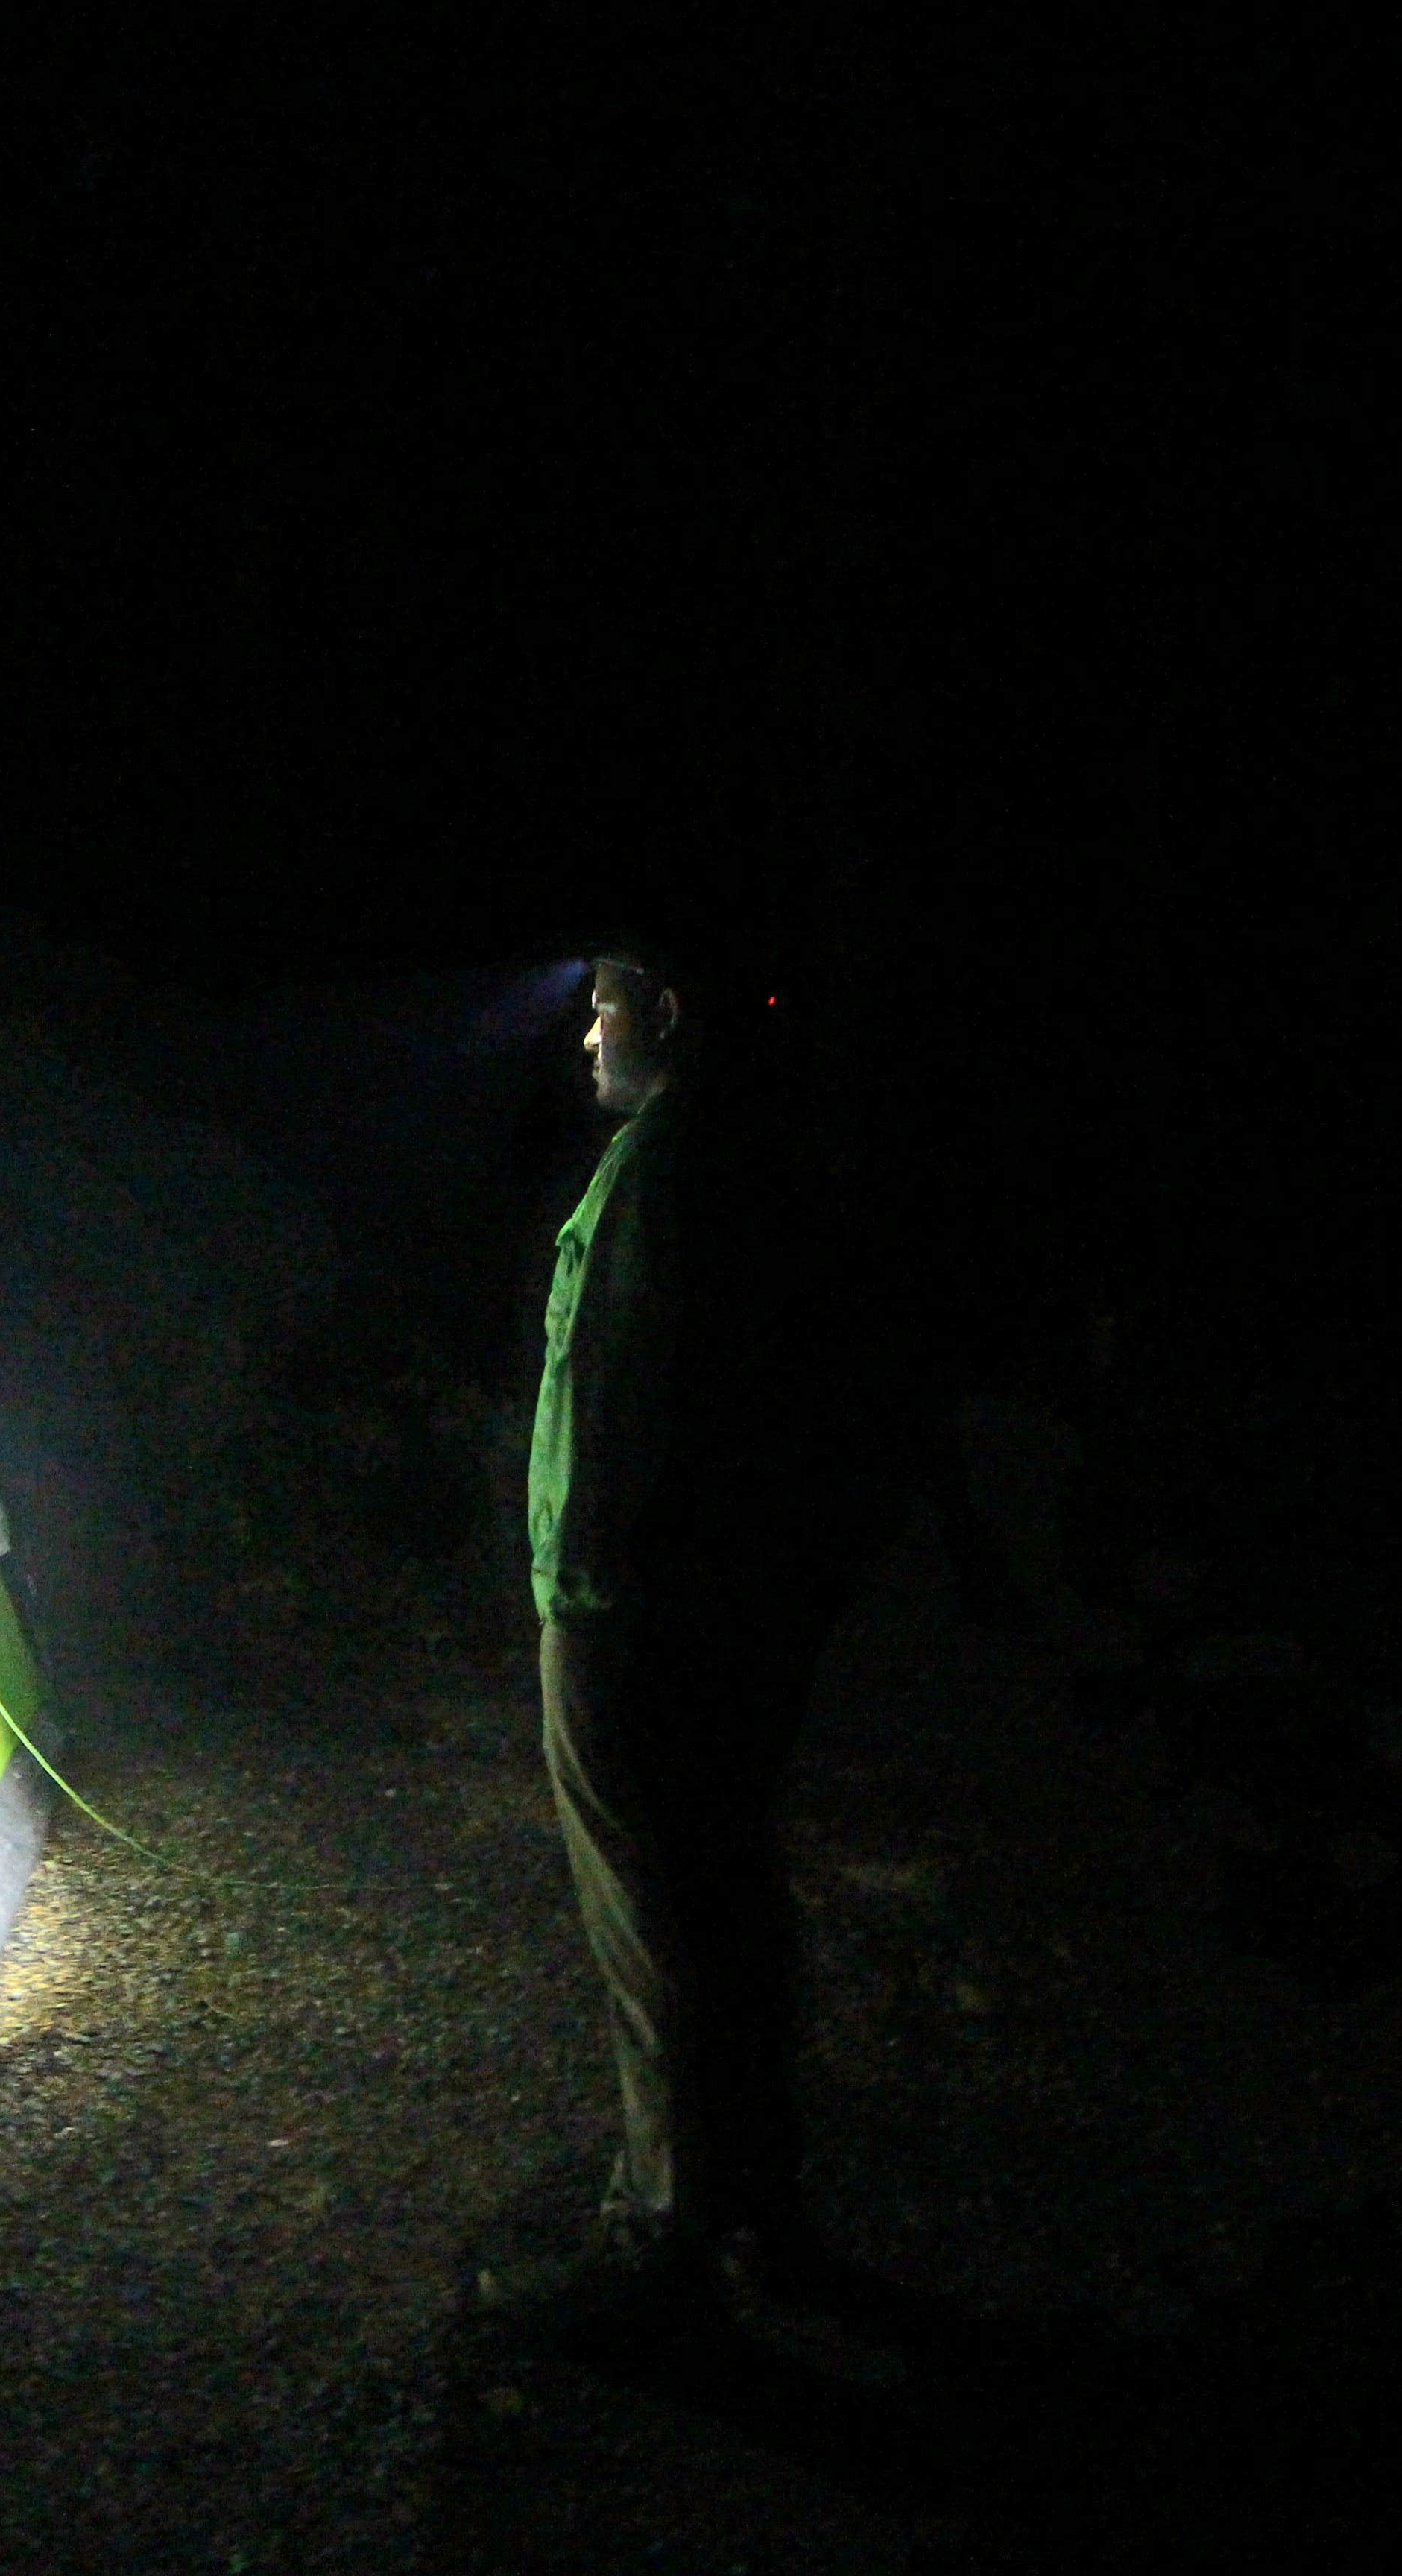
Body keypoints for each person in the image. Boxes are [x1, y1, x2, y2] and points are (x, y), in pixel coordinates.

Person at [497, 933, 904, 2374]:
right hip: (698, 1607)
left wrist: (604, 1594)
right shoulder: (735, 1159)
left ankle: (669, 2244)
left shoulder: (671, 1173)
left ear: (664, 1013)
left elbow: (641, 1403)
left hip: (631, 1611)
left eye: (601, 1009)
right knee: (724, 1902)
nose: (586, 1039)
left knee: (656, 1928)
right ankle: (756, 2208)